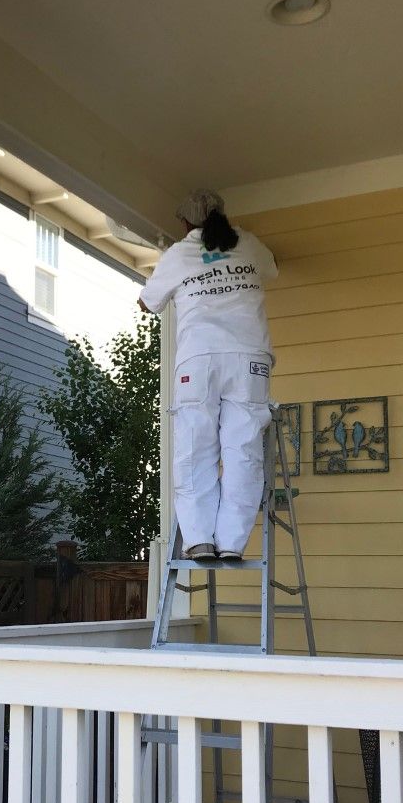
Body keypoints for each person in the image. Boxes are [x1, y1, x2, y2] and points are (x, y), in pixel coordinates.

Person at [139, 188, 278, 560]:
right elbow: (273, 266)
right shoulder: (249, 244)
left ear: (185, 222)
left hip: (199, 358)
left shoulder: (179, 252)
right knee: (243, 450)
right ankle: (232, 543)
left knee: (195, 448)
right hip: (249, 358)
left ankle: (199, 538)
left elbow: (147, 302)